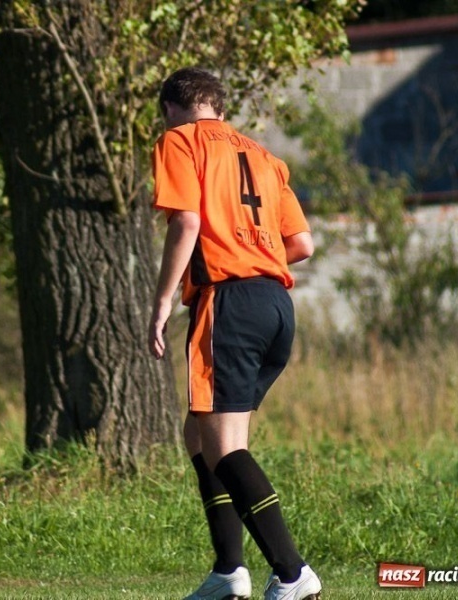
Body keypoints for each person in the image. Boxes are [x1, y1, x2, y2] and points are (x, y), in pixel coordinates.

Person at [147, 67, 320, 600]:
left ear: (173, 109)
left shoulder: (180, 140)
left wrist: (160, 303)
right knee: (201, 436)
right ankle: (229, 573)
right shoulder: (265, 157)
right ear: (219, 108)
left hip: (231, 303)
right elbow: (303, 244)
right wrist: (254, 255)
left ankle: (293, 573)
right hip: (275, 304)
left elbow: (187, 223)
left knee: (222, 447)